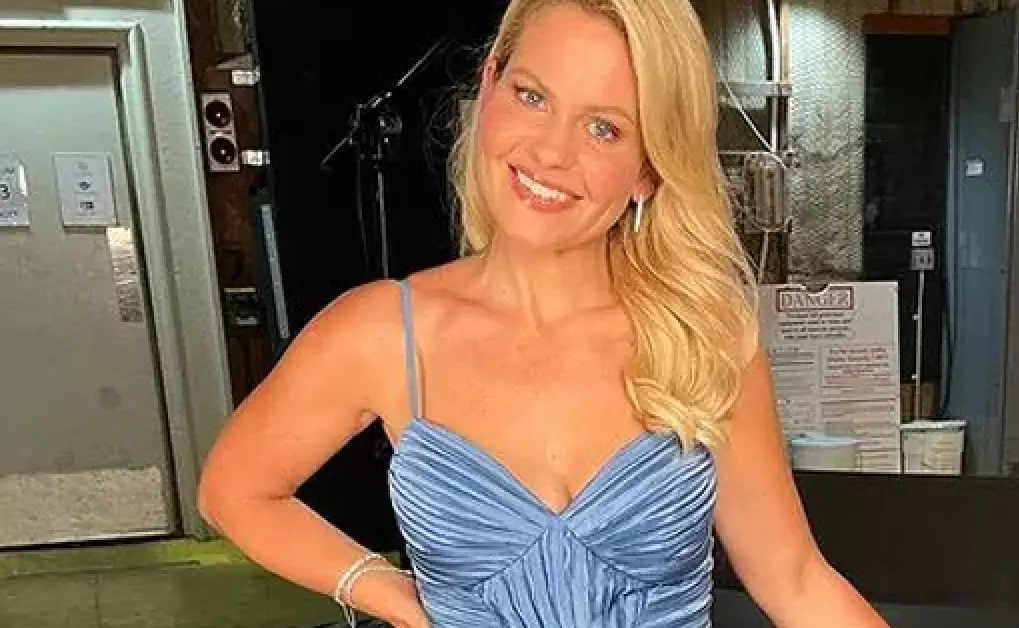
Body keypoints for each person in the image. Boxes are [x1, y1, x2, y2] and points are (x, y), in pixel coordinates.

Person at [198, 0, 888, 626]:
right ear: (489, 85)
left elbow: (795, 581)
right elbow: (235, 489)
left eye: (604, 128)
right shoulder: (383, 333)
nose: (552, 153)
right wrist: (385, 592)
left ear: (650, 168)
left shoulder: (704, 335)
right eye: (532, 96)